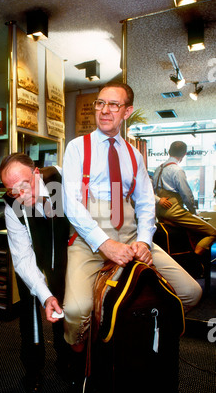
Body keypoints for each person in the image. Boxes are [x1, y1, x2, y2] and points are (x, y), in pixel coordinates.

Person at [62, 83, 202, 360]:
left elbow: (147, 203)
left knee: (190, 292)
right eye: (100, 103)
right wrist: (105, 244)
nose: (104, 110)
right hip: (88, 238)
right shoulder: (77, 147)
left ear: (127, 111)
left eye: (114, 105)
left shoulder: (134, 155)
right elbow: (70, 203)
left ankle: (137, 336)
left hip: (130, 235)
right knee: (76, 311)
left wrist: (144, 242)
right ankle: (78, 353)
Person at [0, 153, 69, 393]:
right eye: (12, 190)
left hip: (60, 252)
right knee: (30, 310)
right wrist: (43, 293)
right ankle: (33, 368)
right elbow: (22, 258)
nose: (19, 195)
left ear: (36, 174)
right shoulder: (11, 206)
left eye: (23, 186)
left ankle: (65, 357)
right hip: (30, 253)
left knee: (64, 301)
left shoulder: (61, 182)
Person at [153, 141, 216, 255]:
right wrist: (193, 212)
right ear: (184, 154)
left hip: (160, 212)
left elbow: (150, 191)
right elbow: (187, 194)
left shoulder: (158, 169)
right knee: (213, 232)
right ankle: (195, 258)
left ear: (169, 151)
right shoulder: (177, 170)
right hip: (174, 211)